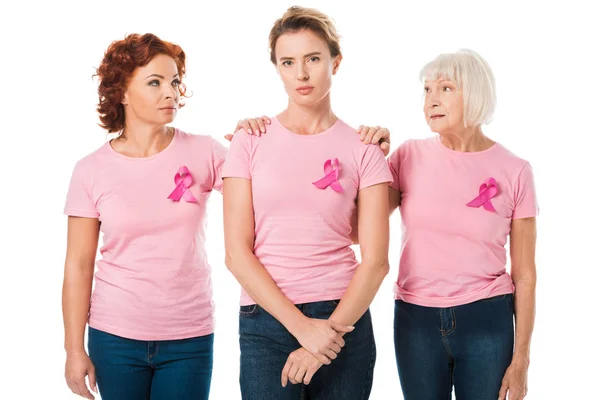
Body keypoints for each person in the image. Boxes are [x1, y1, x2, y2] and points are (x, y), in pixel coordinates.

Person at [222, 6, 393, 400]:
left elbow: (376, 261)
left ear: (336, 61)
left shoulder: (365, 149)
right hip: (265, 320)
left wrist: (326, 335)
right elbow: (235, 253)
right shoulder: (249, 140)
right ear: (277, 68)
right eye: (288, 62)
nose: (301, 74)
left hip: (344, 318)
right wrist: (302, 328)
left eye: (313, 59)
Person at [361, 49, 538, 400]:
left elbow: (525, 275)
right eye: (426, 90)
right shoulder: (408, 156)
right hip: (415, 320)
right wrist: (368, 161)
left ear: (473, 93)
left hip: (487, 318)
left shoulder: (515, 170)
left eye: (444, 89)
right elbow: (357, 229)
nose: (431, 100)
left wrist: (520, 363)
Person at [62, 33, 227, 400]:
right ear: (121, 92)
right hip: (114, 338)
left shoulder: (206, 152)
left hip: (189, 337)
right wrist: (74, 349)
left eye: (174, 82)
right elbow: (78, 264)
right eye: (154, 83)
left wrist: (257, 139)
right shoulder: (91, 170)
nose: (170, 93)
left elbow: (269, 197)